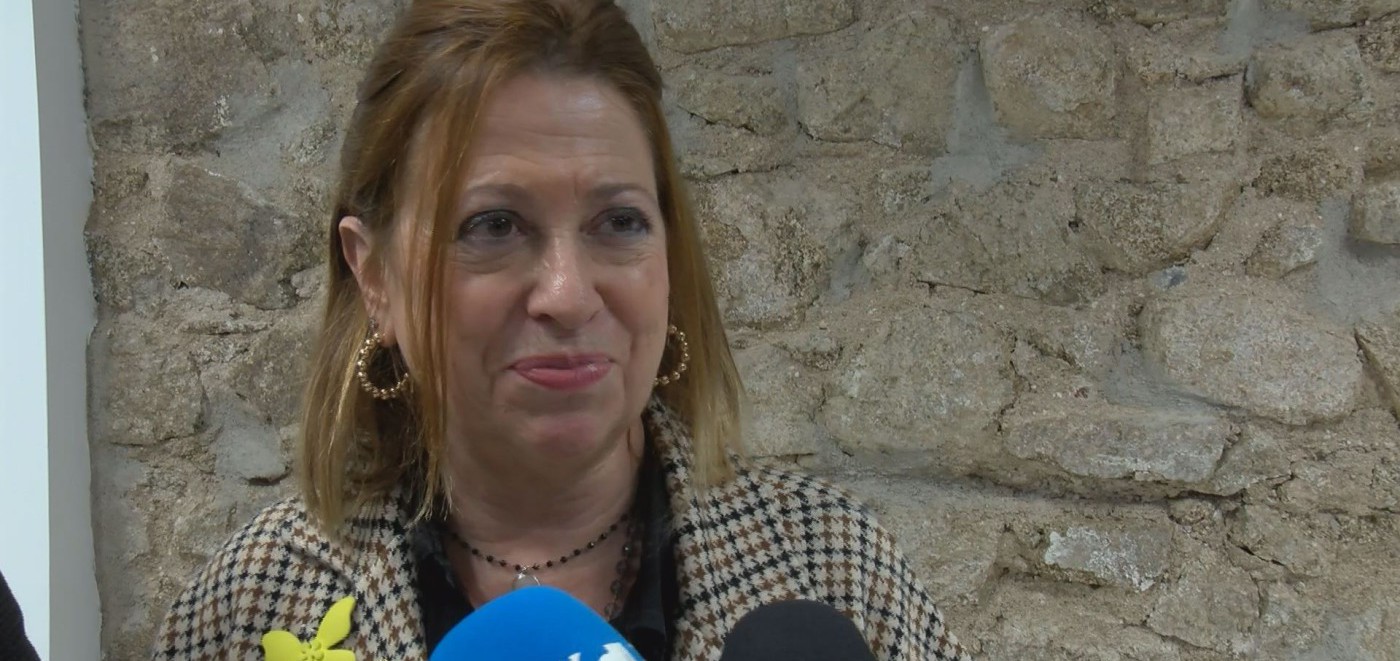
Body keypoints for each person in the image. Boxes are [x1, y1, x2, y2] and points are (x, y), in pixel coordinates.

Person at [152, 1, 972, 659]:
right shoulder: (250, 606)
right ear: (375, 277)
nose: (568, 295)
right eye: (494, 225)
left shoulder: (840, 575)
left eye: (619, 221)